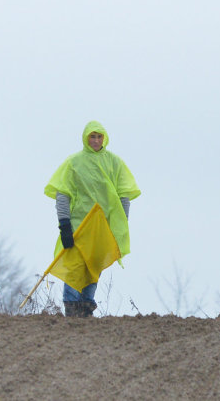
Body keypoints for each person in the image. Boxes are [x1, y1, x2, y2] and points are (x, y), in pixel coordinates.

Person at [44, 120, 140, 317]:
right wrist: (64, 225)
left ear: (104, 138)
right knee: (74, 265)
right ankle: (72, 308)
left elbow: (124, 195)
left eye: (99, 136)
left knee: (94, 265)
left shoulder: (115, 163)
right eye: (92, 137)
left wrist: (121, 224)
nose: (96, 141)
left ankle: (86, 308)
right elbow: (62, 194)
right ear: (86, 138)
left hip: (102, 226)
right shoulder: (74, 163)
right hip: (79, 224)